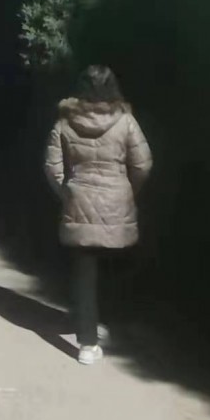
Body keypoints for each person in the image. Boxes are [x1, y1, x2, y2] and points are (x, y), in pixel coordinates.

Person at [44, 65, 153, 365]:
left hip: (79, 200)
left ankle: (87, 344)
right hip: (117, 202)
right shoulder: (126, 121)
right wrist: (128, 191)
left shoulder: (65, 122)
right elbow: (143, 164)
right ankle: (100, 323)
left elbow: (52, 167)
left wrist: (66, 194)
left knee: (84, 272)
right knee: (112, 267)